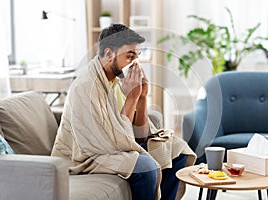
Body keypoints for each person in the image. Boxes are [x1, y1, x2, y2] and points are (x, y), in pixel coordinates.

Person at [51, 24, 196, 200]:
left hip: (113, 148)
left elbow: (139, 136)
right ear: (108, 53)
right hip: (87, 156)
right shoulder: (86, 86)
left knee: (177, 150)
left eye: (137, 57)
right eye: (129, 56)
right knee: (146, 165)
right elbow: (112, 142)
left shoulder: (118, 81)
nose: (135, 63)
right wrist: (131, 98)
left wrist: (141, 97)